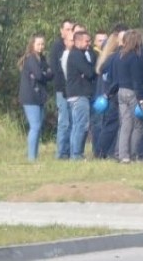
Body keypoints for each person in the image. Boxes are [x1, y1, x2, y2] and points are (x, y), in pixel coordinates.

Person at [18, 33, 53, 161]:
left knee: (38, 126)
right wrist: (44, 74)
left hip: (39, 96)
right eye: (38, 44)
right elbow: (39, 75)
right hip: (30, 97)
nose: (40, 46)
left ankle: (35, 155)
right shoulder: (31, 59)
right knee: (35, 126)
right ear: (32, 45)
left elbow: (50, 74)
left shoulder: (42, 58)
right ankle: (31, 157)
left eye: (42, 44)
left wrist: (44, 74)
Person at [115, 30, 143, 163]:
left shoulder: (120, 56)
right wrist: (141, 99)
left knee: (125, 124)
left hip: (121, 91)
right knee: (138, 124)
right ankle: (134, 153)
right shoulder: (134, 57)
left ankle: (123, 155)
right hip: (132, 92)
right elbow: (136, 80)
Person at [66, 30, 97, 160]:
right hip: (79, 95)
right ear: (77, 41)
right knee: (81, 125)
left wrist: (86, 72)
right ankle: (77, 154)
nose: (89, 44)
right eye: (86, 41)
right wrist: (88, 70)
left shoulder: (78, 54)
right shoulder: (77, 55)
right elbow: (90, 72)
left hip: (75, 94)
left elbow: (87, 72)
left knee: (77, 125)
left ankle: (75, 153)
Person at [93, 31, 122, 159]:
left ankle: (103, 151)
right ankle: (101, 151)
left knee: (109, 125)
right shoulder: (114, 58)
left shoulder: (105, 59)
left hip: (106, 95)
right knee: (111, 125)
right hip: (112, 96)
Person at [48, 19, 74, 159]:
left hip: (71, 90)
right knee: (64, 122)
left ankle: (68, 151)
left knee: (71, 121)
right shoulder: (57, 47)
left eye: (71, 29)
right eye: (68, 29)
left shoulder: (71, 46)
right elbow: (57, 70)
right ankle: (61, 153)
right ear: (61, 30)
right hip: (62, 90)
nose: (70, 32)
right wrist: (63, 88)